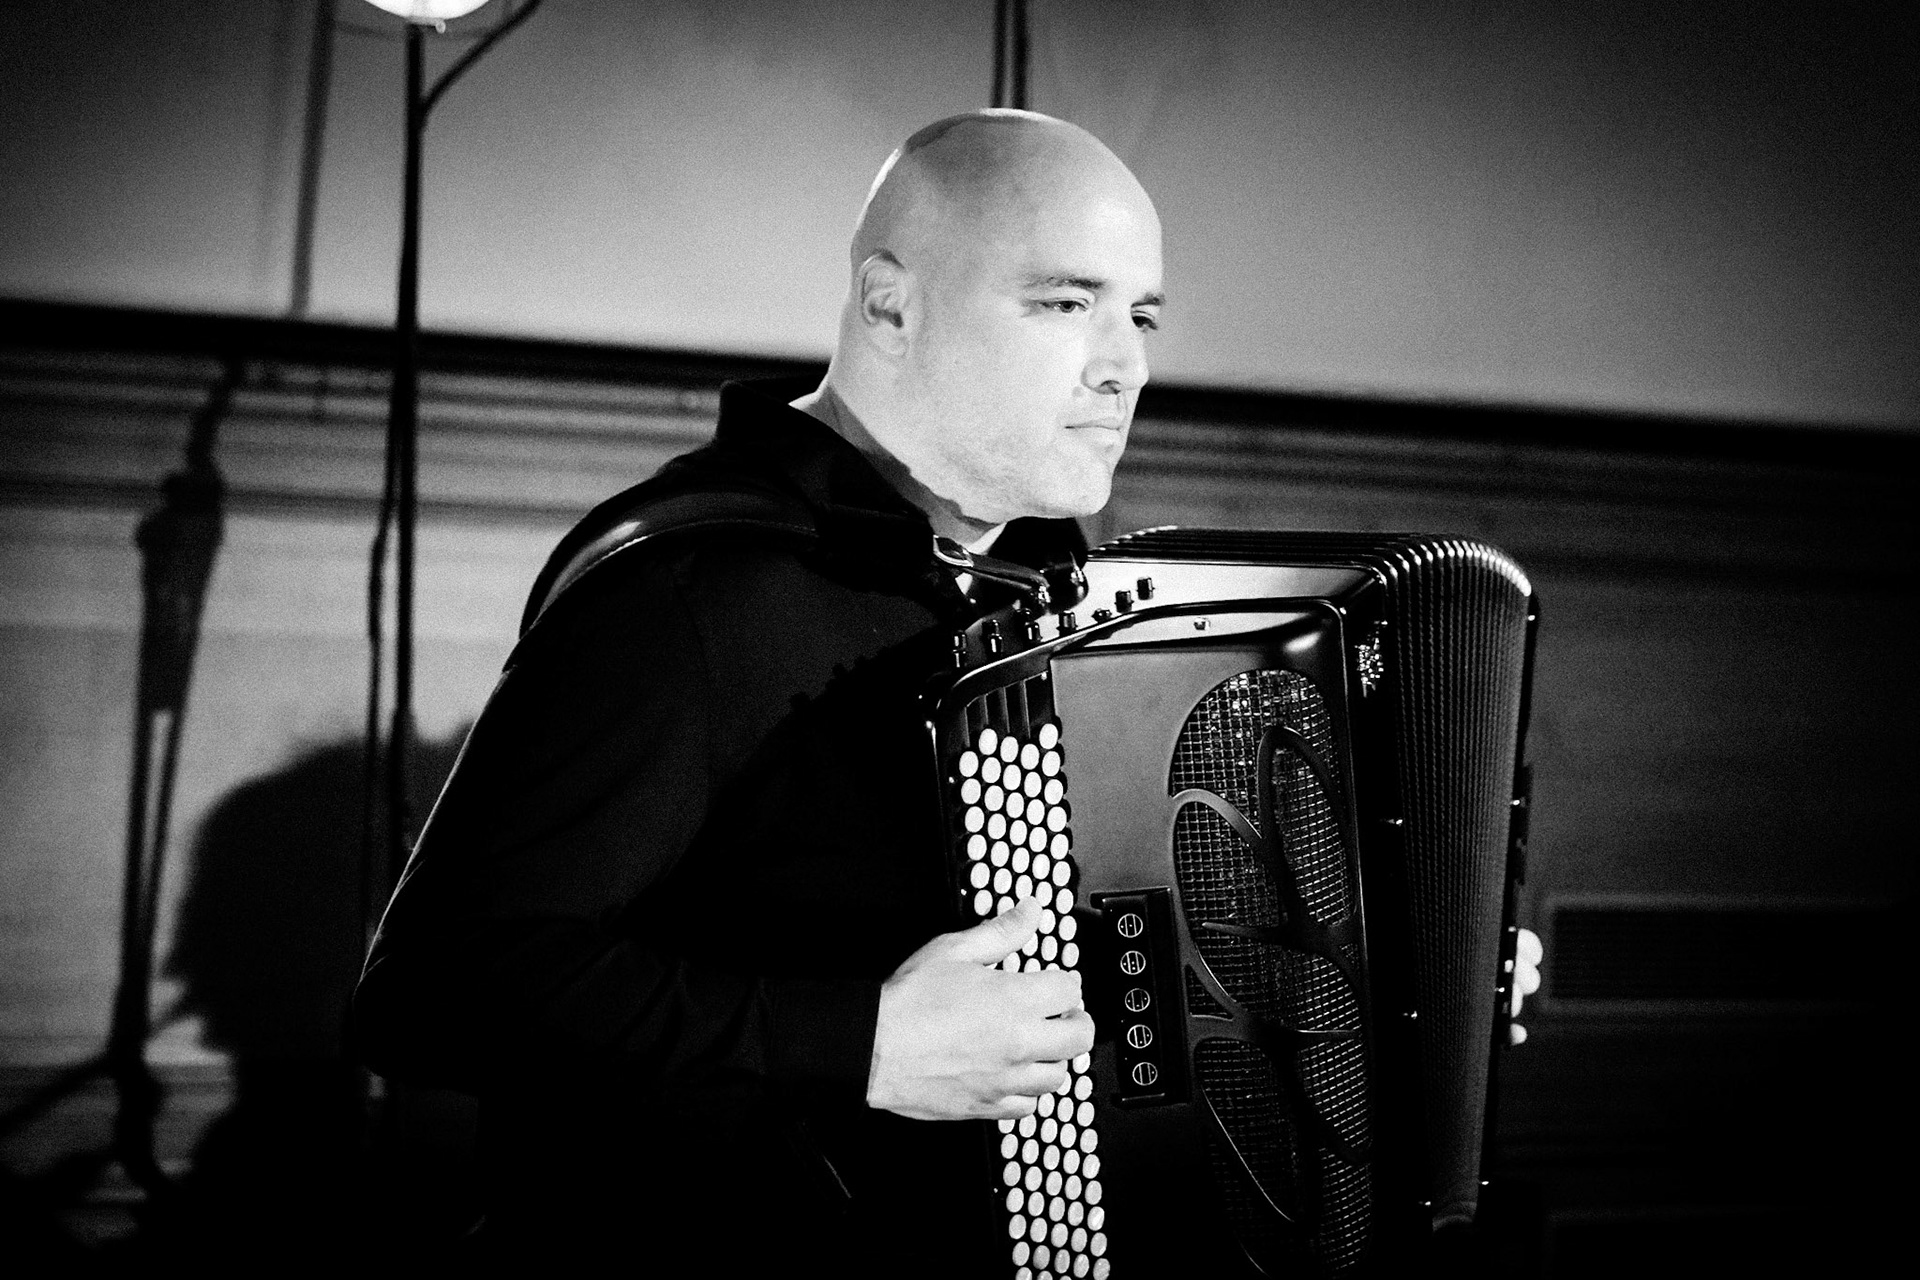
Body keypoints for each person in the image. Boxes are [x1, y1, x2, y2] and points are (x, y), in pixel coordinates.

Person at [355, 108, 1539, 1273]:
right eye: (1065, 303)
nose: (1123, 363)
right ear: (889, 302)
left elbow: (1150, 926)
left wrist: (1410, 960)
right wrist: (862, 1042)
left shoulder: (1055, 581)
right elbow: (434, 986)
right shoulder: (693, 588)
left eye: (1141, 315)